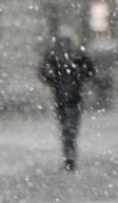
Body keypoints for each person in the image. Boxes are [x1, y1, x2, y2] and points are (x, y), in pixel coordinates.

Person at [40, 33, 95, 171]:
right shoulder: (77, 54)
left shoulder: (54, 55)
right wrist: (79, 78)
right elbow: (90, 70)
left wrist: (55, 82)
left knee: (65, 127)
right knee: (71, 127)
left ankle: (69, 153)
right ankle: (70, 153)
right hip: (74, 97)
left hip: (61, 98)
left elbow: (45, 72)